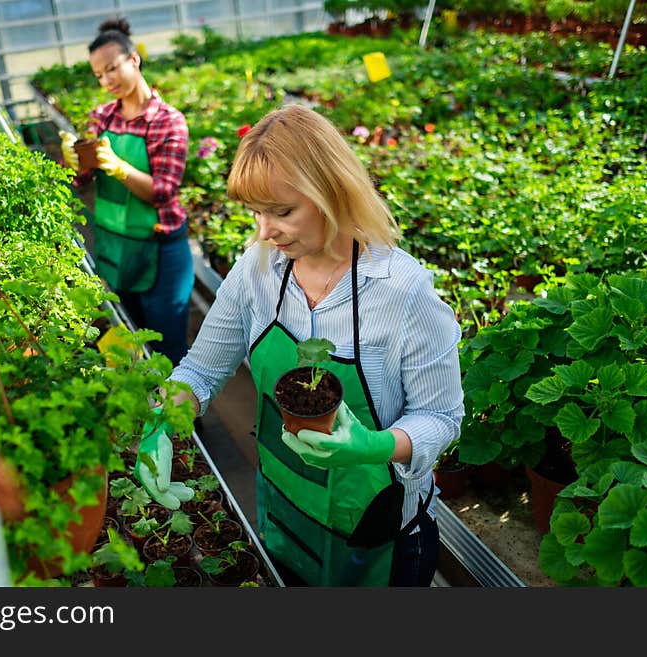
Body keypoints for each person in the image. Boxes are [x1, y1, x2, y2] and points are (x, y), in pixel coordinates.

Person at [136, 104, 464, 587]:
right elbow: (201, 372)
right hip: (284, 512)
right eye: (256, 213)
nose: (266, 231)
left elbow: (442, 418)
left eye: (282, 212)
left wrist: (372, 446)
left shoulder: (402, 291)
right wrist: (164, 418)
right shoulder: (258, 270)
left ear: (332, 191)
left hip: (376, 535)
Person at [62, 17, 193, 365]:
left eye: (112, 69)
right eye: (99, 75)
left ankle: (185, 420)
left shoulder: (168, 121)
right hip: (115, 245)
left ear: (133, 60)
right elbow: (83, 182)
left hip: (160, 250)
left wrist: (118, 167)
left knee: (169, 352)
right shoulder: (101, 117)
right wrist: (77, 164)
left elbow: (162, 192)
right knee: (129, 343)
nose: (107, 81)